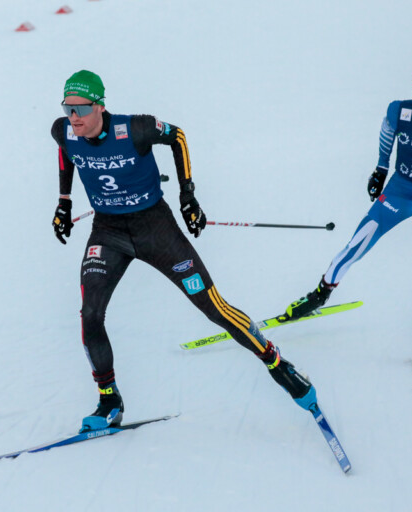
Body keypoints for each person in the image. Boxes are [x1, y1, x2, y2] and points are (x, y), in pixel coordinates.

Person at [51, 70, 316, 433]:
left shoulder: (136, 128)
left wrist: (187, 195)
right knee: (90, 314)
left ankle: (277, 362)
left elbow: (177, 137)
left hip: (155, 229)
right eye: (67, 109)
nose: (73, 117)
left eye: (81, 109)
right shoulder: (64, 131)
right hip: (108, 233)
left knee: (213, 307)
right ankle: (109, 400)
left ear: (100, 106)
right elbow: (66, 152)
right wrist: (64, 201)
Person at [279, 69, 412, 363]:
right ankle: (319, 294)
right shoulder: (400, 111)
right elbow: (387, 128)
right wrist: (380, 168)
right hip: (399, 193)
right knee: (357, 243)